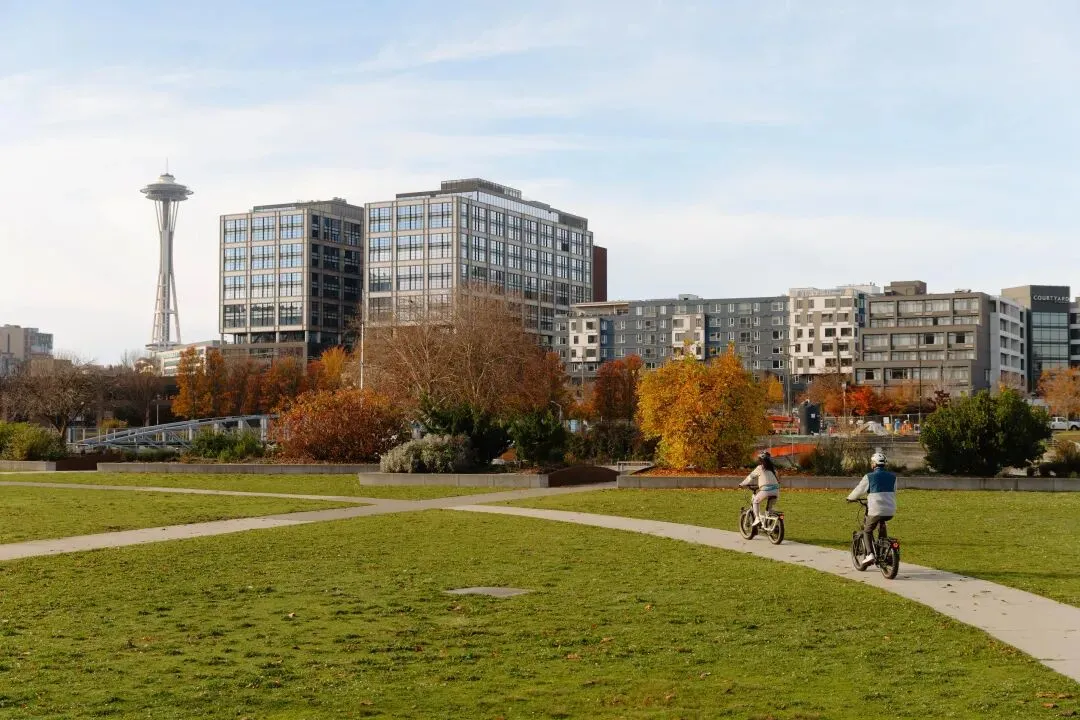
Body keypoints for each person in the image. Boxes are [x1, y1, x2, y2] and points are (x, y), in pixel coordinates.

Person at [846, 451, 897, 568]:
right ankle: (884, 550)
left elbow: (859, 490)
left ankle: (870, 554)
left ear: (874, 464)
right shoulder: (893, 477)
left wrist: (850, 498)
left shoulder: (869, 477)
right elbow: (894, 491)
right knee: (882, 524)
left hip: (876, 510)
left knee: (867, 530)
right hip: (890, 510)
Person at [740, 450, 780, 528]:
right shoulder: (774, 470)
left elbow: (750, 477)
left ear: (761, 460)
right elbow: (777, 480)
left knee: (755, 501)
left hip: (766, 491)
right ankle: (769, 525)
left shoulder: (760, 468)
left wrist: (742, 484)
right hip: (776, 491)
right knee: (769, 509)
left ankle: (757, 519)